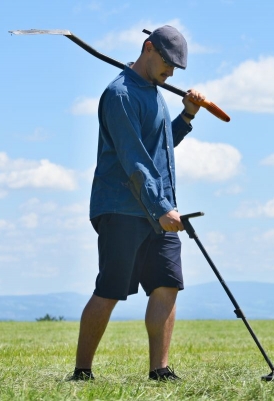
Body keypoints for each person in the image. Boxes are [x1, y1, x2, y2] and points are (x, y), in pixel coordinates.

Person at [69, 25, 205, 382]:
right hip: (121, 208)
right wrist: (161, 208)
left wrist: (187, 116)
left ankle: (159, 371)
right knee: (111, 289)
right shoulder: (121, 95)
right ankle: (82, 372)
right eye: (167, 63)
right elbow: (134, 161)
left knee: (167, 283)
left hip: (158, 209)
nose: (171, 72)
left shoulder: (154, 92)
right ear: (148, 48)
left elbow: (159, 149)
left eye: (176, 67)